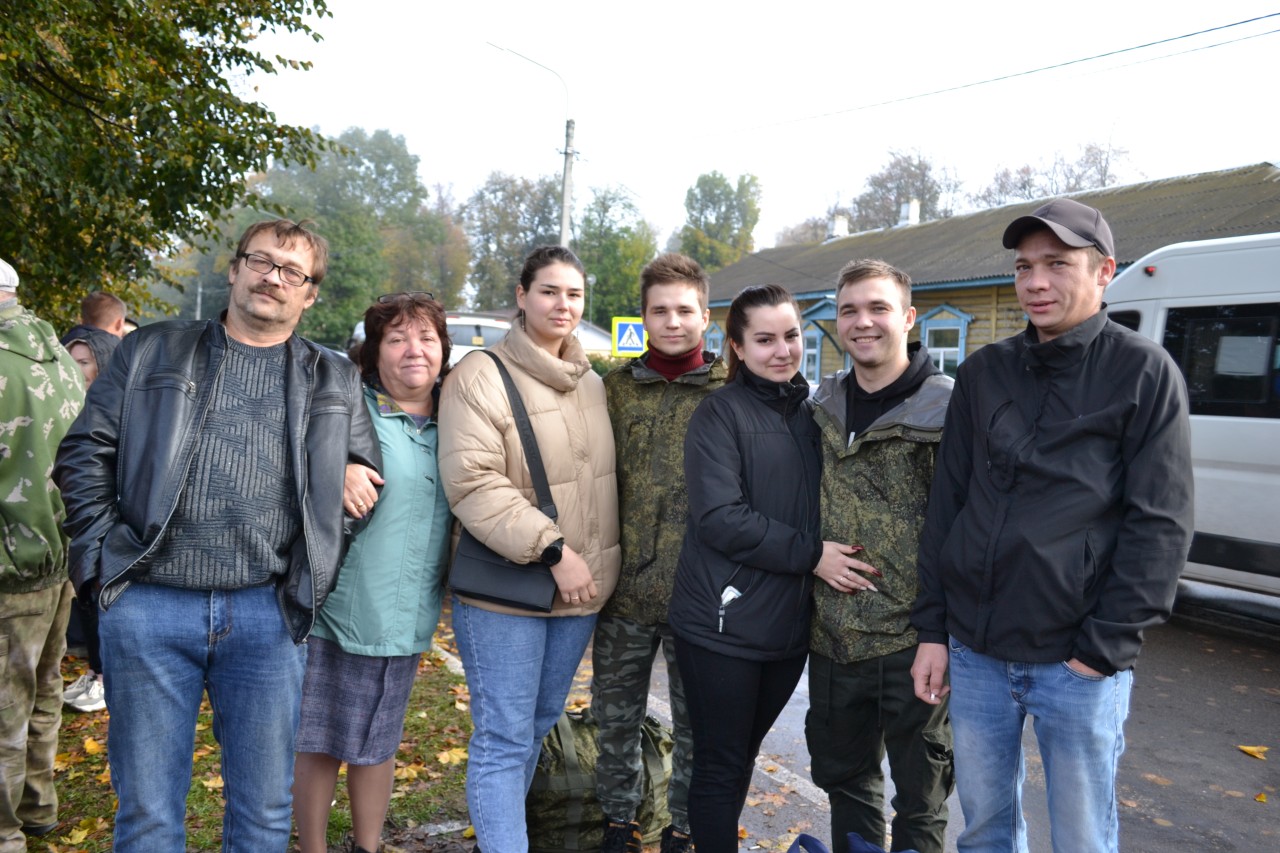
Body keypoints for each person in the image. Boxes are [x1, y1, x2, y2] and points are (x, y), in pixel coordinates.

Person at [53, 219, 381, 852]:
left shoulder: (331, 377)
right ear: (233, 270)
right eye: (261, 261)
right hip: (148, 606)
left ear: (309, 295)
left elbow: (366, 482)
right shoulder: (151, 350)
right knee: (148, 815)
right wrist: (98, 564)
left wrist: (334, 490)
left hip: (265, 611)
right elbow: (84, 452)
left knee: (262, 815)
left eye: (293, 272)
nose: (273, 278)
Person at [910, 199, 1194, 853]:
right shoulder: (984, 373)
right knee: (984, 829)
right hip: (977, 654)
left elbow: (1163, 524)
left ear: (1103, 272)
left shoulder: (1144, 374)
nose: (1036, 281)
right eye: (1024, 267)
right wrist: (934, 630)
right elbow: (948, 504)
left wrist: (1101, 651)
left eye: (1057, 264)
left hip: (1077, 664)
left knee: (1082, 837)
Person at [438, 245, 620, 853]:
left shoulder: (592, 381)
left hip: (580, 593)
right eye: (549, 291)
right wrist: (553, 550)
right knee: (503, 739)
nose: (562, 304)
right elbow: (472, 481)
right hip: (507, 593)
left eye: (574, 294)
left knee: (537, 728)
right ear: (521, 295)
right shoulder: (479, 375)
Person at [669, 283, 840, 853]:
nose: (782, 350)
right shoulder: (719, 414)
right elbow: (720, 519)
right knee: (720, 764)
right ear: (737, 347)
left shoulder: (813, 414)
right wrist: (814, 556)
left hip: (787, 629)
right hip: (722, 626)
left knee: (742, 756)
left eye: (790, 335)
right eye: (764, 339)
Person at [293, 292, 454, 853]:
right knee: (318, 741)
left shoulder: (459, 422)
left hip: (407, 615)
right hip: (338, 610)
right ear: (373, 352)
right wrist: (331, 473)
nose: (415, 350)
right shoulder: (349, 409)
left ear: (443, 348)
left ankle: (369, 846)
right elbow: (294, 460)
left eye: (427, 337)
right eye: (397, 338)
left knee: (378, 742)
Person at [806, 259, 954, 853]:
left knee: (922, 800)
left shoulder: (948, 410)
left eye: (878, 308)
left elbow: (963, 529)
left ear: (909, 318)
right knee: (845, 782)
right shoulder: (820, 405)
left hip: (913, 642)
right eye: (849, 310)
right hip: (834, 637)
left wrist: (938, 633)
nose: (862, 322)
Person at [591, 253, 726, 853]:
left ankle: (685, 829)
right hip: (623, 590)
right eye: (659, 310)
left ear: (706, 315)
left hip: (699, 594)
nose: (672, 322)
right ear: (642, 316)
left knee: (698, 724)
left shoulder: (732, 390)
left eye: (684, 310)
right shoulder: (615, 388)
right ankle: (618, 822)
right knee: (614, 716)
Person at [0, 257, 85, 851]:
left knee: (7, 703)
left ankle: (5, 830)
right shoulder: (57, 355)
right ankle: (38, 805)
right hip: (60, 553)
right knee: (44, 687)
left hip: (9, 561)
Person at [56, 323, 121, 714]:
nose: (76, 369)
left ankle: (103, 677)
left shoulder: (112, 410)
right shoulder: (57, 400)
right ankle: (95, 671)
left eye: (83, 361)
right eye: (69, 359)